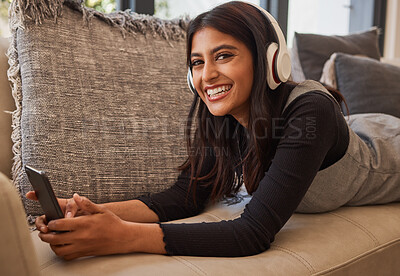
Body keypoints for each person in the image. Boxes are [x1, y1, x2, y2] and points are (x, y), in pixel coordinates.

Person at [27, 1, 400, 260]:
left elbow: (252, 233)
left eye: (224, 56)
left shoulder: (309, 111)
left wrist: (123, 236)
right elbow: (185, 198)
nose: (207, 76)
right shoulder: (225, 118)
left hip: (389, 149)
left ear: (270, 59)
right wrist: (95, 213)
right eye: (197, 62)